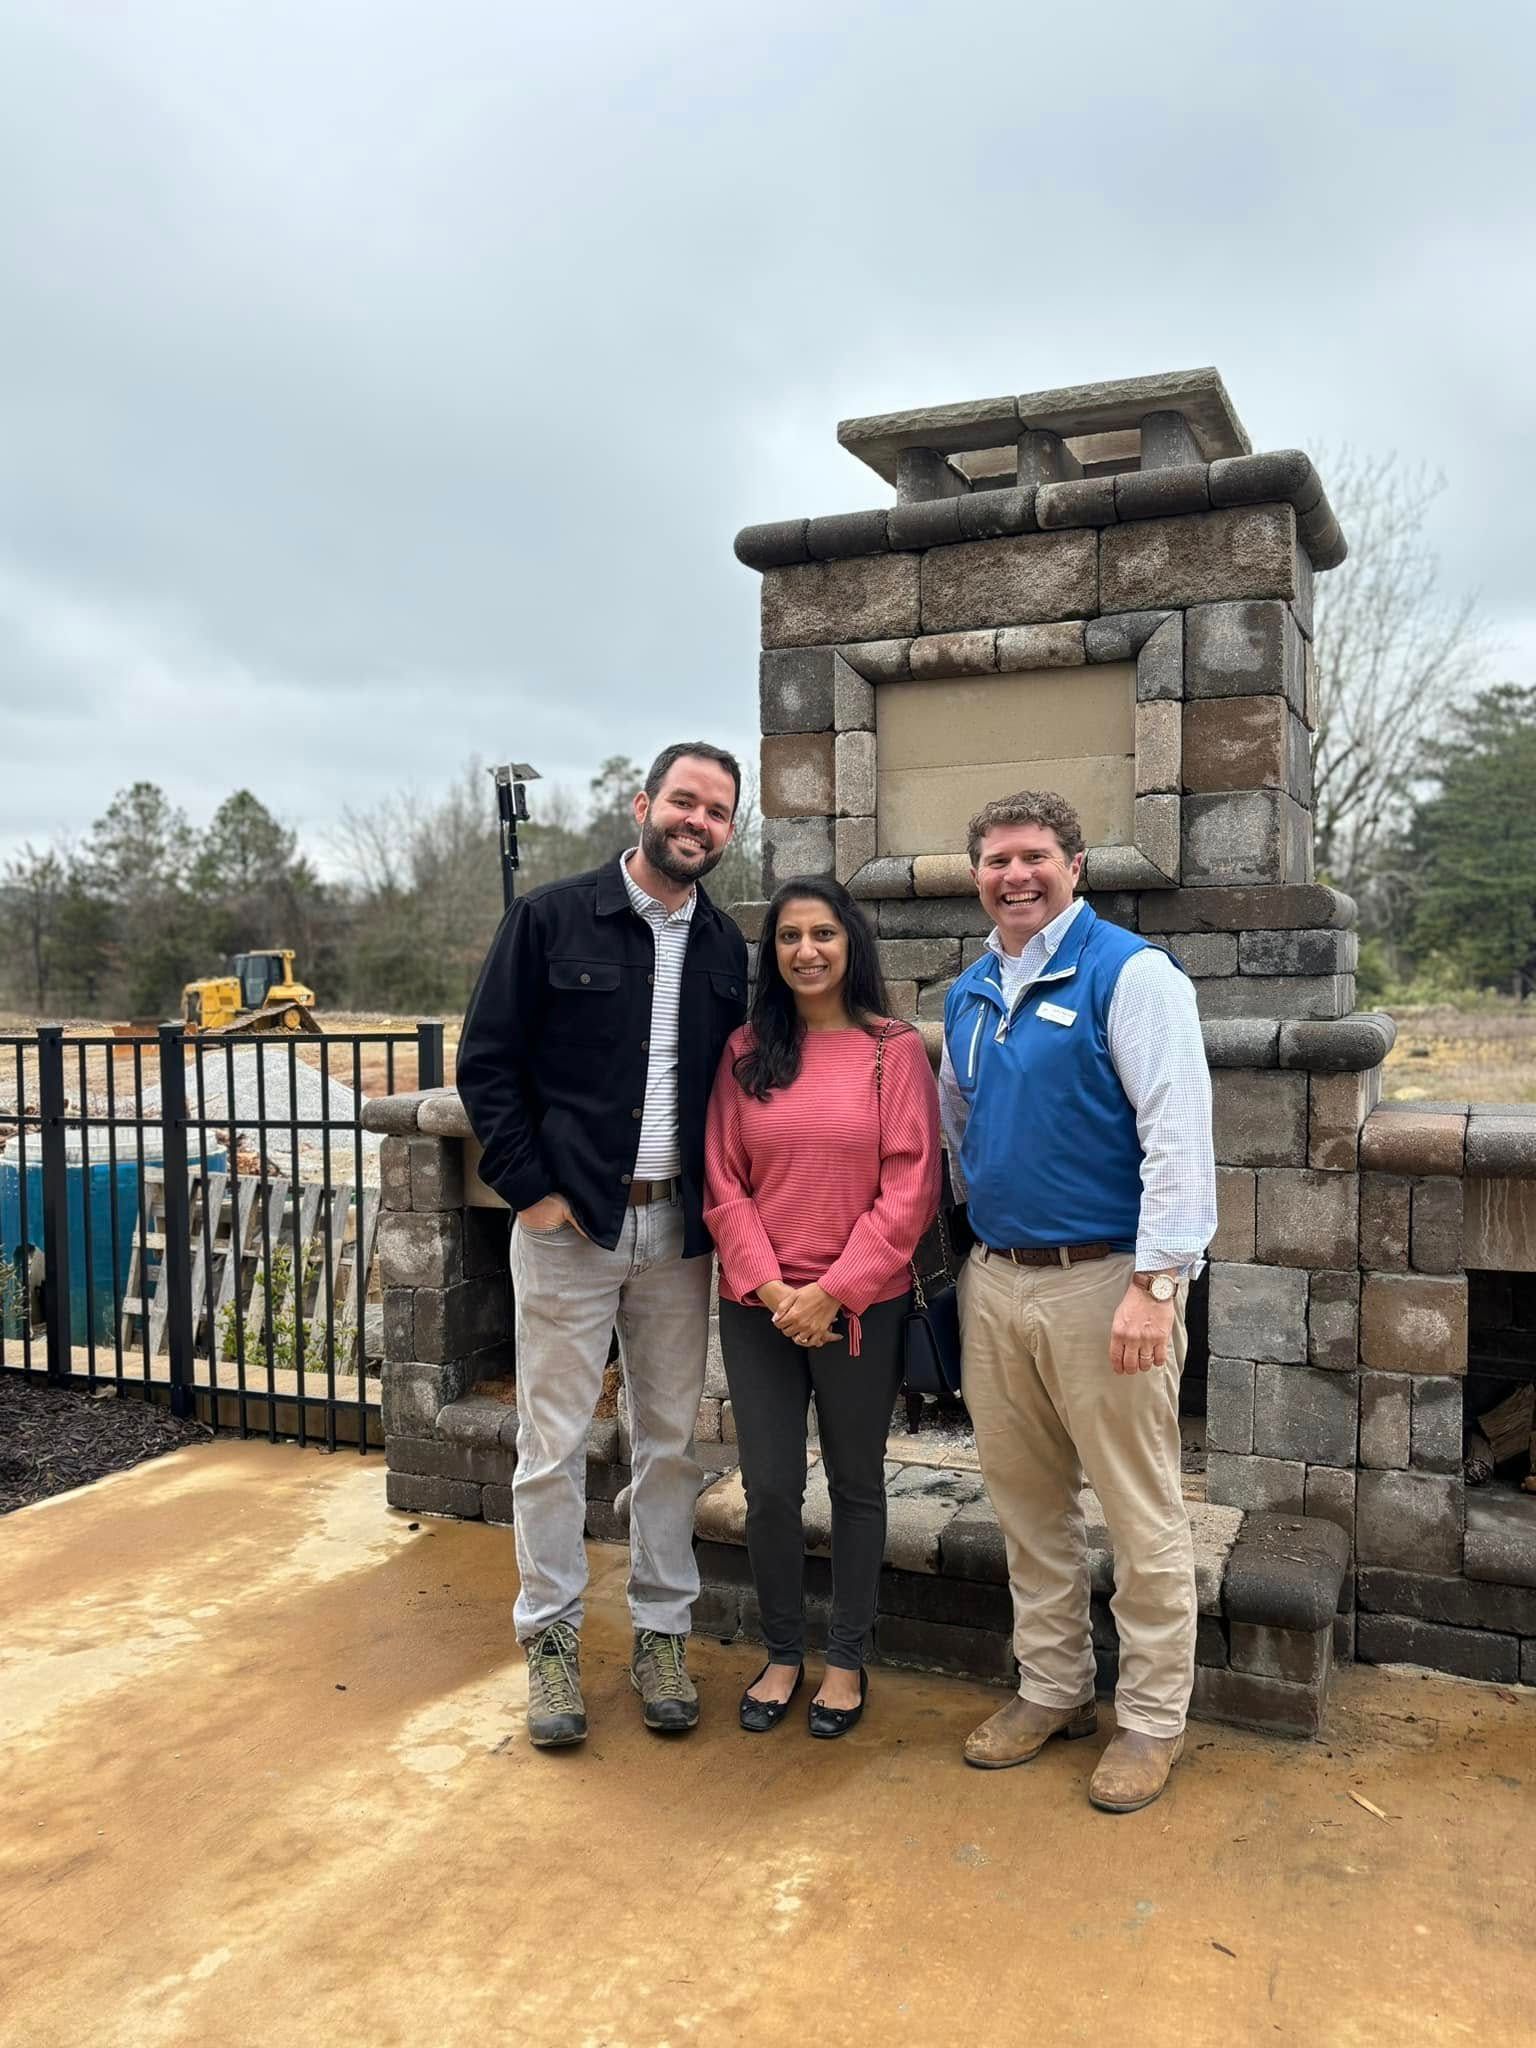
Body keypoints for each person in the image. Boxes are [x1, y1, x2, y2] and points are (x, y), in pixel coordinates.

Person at [457, 743, 748, 1748]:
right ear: (642, 804)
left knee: (670, 1445)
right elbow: (486, 1064)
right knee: (551, 1448)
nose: (697, 821)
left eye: (717, 811)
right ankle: (550, 1640)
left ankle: (662, 1632)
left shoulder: (725, 948)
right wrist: (532, 1194)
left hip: (679, 1235)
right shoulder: (549, 919)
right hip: (570, 1228)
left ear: (729, 830)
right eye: (684, 800)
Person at [938, 791, 1216, 1813]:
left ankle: (1151, 1717)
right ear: (976, 873)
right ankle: (1053, 1689)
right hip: (997, 1278)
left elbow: (1178, 1132)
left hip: (1109, 1280)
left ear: (1076, 865)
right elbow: (959, 1132)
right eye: (996, 859)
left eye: (1035, 857)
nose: (1015, 875)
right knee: (1027, 1506)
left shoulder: (1132, 975)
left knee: (1141, 1511)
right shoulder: (970, 992)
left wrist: (1157, 1282)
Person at [704, 877, 940, 1738]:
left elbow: (911, 1188)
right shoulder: (744, 1052)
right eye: (789, 936)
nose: (807, 950)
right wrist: (776, 1292)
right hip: (759, 1307)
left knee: (855, 1483)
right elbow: (723, 1182)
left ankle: (845, 1658)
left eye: (824, 934)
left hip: (860, 1310)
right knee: (769, 1488)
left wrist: (833, 1292)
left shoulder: (893, 1051)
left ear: (851, 944)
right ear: (772, 953)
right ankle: (781, 1652)